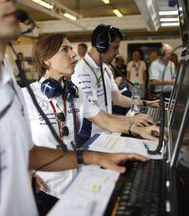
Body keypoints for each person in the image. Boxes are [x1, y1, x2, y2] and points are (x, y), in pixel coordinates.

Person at [0, 0, 155, 215]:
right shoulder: (26, 94)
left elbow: (28, 153)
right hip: (48, 191)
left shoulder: (10, 86)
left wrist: (97, 155)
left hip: (66, 187)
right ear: (46, 61)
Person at [22, 33, 161, 197]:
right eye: (65, 50)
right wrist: (25, 171)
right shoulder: (26, 97)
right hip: (45, 188)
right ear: (47, 60)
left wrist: (137, 129)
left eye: (71, 49)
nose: (73, 54)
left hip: (76, 179)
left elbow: (105, 121)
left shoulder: (75, 93)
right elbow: (9, 144)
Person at [72, 24, 158, 139]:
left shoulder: (105, 68)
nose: (117, 52)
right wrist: (130, 120)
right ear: (101, 46)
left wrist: (146, 103)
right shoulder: (83, 71)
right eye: (115, 47)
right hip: (91, 136)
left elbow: (118, 99)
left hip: (107, 131)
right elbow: (96, 113)